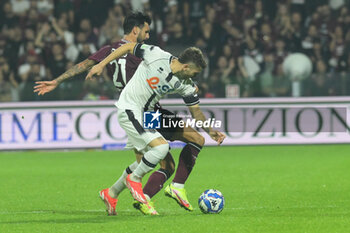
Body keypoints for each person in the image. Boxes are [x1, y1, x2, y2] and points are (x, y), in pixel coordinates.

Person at [33, 12, 215, 215]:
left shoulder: (109, 50)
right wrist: (188, 82)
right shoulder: (146, 54)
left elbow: (83, 65)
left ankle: (118, 193)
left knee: (174, 150)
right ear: (136, 30)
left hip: (147, 110)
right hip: (138, 110)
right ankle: (143, 196)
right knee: (161, 159)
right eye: (146, 31)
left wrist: (57, 81)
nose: (147, 36)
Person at [86, 42, 226, 214]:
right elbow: (128, 47)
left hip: (151, 114)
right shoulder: (155, 54)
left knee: (191, 144)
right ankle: (135, 180)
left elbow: (197, 114)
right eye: (195, 73)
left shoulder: (186, 84)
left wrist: (212, 132)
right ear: (186, 66)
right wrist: (101, 64)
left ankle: (118, 192)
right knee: (160, 149)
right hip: (132, 108)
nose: (195, 77)